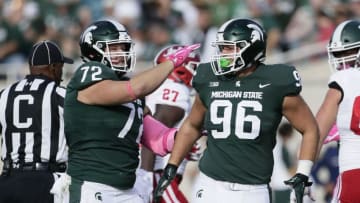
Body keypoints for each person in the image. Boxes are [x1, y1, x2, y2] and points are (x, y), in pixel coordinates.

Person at [153, 18, 319, 203]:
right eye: (222, 48)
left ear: (252, 48)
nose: (223, 54)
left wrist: (303, 173)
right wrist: (172, 165)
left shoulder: (275, 82)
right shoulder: (210, 78)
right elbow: (192, 125)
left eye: (230, 48)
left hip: (252, 190)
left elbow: (310, 128)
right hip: (210, 183)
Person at [63, 19, 200, 203]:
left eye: (123, 47)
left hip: (127, 188)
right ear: (92, 50)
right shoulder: (89, 74)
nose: (120, 53)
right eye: (113, 48)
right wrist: (170, 64)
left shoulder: (127, 88)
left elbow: (158, 139)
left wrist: (189, 135)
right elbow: (136, 88)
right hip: (93, 185)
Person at [0, 40, 73, 203]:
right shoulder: (60, 94)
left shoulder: (4, 94)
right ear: (53, 67)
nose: (61, 73)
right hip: (44, 182)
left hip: (8, 181)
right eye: (61, 67)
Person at [141, 45, 201, 203]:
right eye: (194, 67)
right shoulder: (176, 90)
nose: (196, 73)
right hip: (157, 175)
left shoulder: (161, 88)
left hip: (156, 173)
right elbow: (151, 135)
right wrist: (145, 179)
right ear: (182, 69)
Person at [316, 19, 360, 203]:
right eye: (339, 54)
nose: (343, 60)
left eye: (348, 53)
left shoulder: (342, 83)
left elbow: (316, 135)